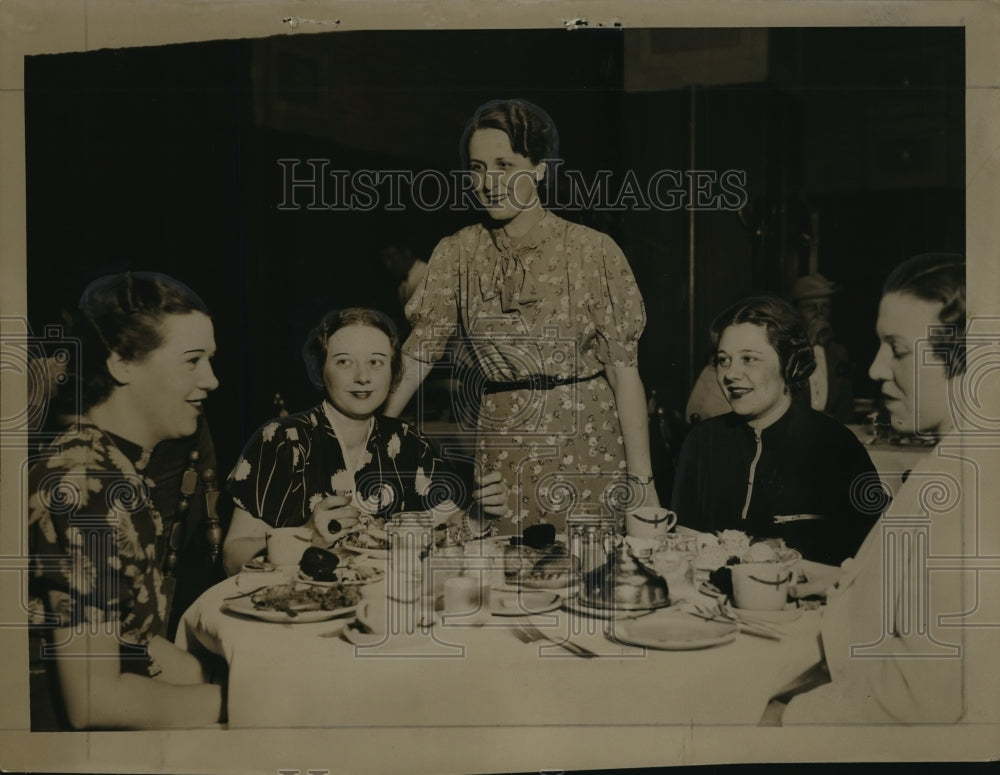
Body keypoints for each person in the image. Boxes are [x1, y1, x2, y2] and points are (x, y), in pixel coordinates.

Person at [383, 98, 659, 534]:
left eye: (504, 165)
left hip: (589, 445)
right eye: (477, 167)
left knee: (592, 584)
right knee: (505, 582)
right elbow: (418, 357)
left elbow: (624, 373)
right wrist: (371, 433)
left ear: (540, 167)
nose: (489, 182)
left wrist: (642, 488)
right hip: (502, 445)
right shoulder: (458, 253)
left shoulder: (593, 250)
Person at [777, 253, 972, 725]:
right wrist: (846, 582)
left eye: (898, 350)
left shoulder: (957, 491)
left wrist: (780, 723)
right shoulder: (958, 463)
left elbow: (922, 702)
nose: (876, 369)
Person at [27, 272, 226, 729]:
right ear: (121, 363)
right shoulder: (83, 486)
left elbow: (135, 641)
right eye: (192, 361)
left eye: (210, 360)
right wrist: (254, 705)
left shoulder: (115, 469)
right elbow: (96, 701)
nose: (212, 380)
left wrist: (229, 681)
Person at [222, 307, 506, 575]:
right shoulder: (281, 440)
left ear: (393, 372)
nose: (362, 377)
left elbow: (449, 527)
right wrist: (307, 537)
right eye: (344, 362)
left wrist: (477, 516)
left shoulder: (407, 441)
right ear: (321, 369)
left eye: (376, 362)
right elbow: (232, 558)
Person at [671, 296, 881, 566]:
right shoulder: (701, 441)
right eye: (723, 360)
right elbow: (686, 540)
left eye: (749, 359)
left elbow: (872, 553)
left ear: (790, 363)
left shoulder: (836, 445)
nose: (731, 373)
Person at [788, 272, 854, 423]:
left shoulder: (839, 353)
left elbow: (846, 409)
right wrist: (807, 345)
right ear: (796, 313)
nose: (820, 314)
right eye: (811, 307)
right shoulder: (783, 351)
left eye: (825, 307)